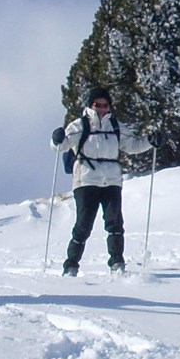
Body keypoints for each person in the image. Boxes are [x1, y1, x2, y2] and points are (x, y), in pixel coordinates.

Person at [52, 87, 152, 275]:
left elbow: (132, 146)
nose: (102, 108)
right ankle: (71, 265)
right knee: (83, 224)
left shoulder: (115, 126)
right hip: (86, 181)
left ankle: (117, 263)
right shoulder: (79, 125)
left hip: (112, 181)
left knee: (115, 222)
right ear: (91, 105)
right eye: (98, 104)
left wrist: (150, 141)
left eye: (105, 105)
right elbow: (61, 146)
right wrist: (56, 139)